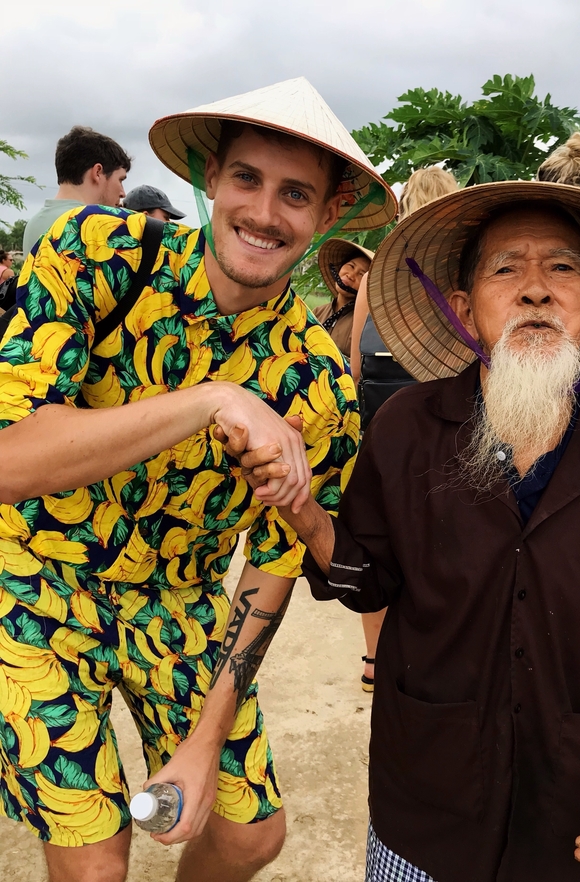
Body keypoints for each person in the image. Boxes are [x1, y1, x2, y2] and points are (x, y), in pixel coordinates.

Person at [241, 171, 580, 880]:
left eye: (561, 267)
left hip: (570, 811)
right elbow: (368, 577)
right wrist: (303, 509)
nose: (534, 289)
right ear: (466, 310)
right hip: (426, 800)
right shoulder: (409, 428)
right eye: (506, 269)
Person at [0, 76, 395, 882]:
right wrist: (213, 400)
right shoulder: (100, 254)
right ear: (209, 179)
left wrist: (205, 744)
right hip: (35, 576)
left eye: (296, 194)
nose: (264, 212)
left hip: (178, 600)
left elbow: (277, 565)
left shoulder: (318, 384)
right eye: (246, 178)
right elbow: (10, 459)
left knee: (252, 835)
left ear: (327, 216)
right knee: (95, 862)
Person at [349, 166, 459, 693]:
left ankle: (375, 661)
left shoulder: (378, 273)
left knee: (379, 542)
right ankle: (440, 654)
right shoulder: (459, 273)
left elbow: (354, 361)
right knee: (444, 541)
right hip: (445, 427)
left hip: (380, 424)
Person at [22, 126, 132, 257]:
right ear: (97, 172)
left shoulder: (33, 224)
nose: (122, 193)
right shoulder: (97, 224)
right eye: (120, 180)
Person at [313, 238, 372, 358]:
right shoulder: (317, 313)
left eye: (361, 274)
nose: (351, 275)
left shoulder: (365, 324)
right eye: (351, 266)